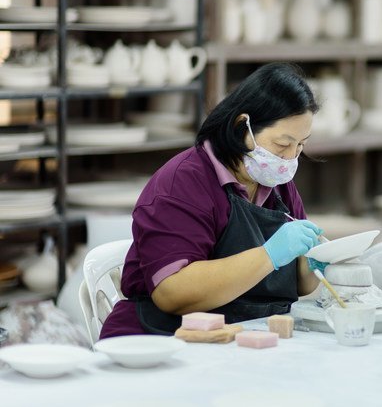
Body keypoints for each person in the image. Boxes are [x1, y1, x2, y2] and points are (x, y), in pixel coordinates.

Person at [100, 63, 327, 338]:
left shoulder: (279, 185)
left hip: (246, 334)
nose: (290, 158)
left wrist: (317, 260)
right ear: (242, 126)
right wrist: (269, 255)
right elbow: (172, 293)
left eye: (301, 145)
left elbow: (300, 285)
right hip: (161, 338)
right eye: (282, 144)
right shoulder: (183, 182)